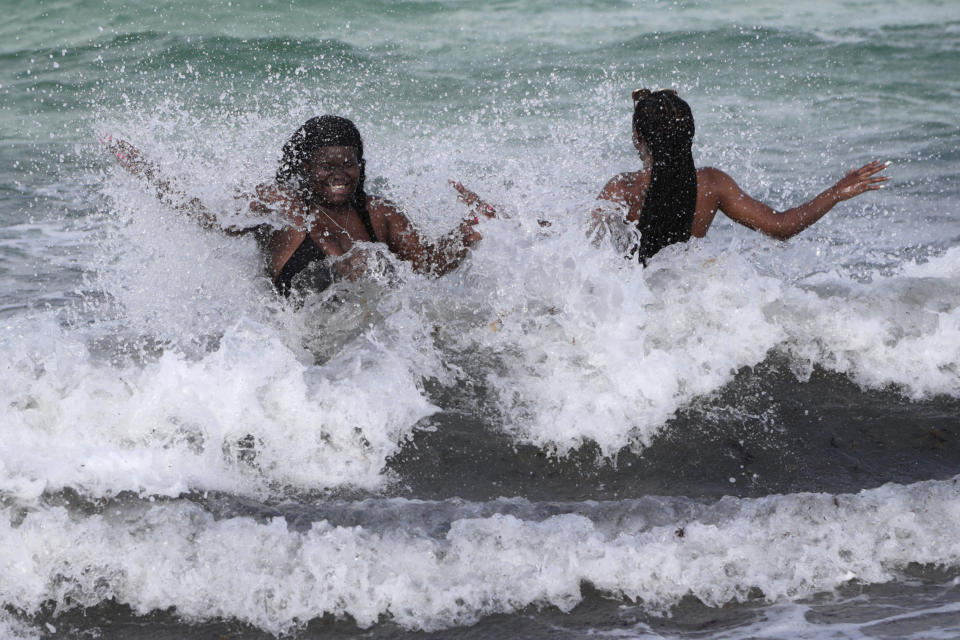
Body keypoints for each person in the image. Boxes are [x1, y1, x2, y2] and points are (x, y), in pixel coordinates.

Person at [105, 115, 494, 297]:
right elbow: (209, 216)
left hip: (365, 358)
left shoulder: (379, 214)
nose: (339, 174)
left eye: (349, 163)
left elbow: (426, 264)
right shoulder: (277, 208)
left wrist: (471, 228)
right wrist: (147, 172)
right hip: (294, 360)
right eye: (326, 165)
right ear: (305, 168)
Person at [594, 89, 890, 263]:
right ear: (690, 136)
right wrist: (836, 192)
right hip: (681, 302)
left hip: (631, 308)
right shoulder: (710, 185)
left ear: (637, 138)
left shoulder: (623, 189)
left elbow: (583, 241)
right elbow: (781, 227)